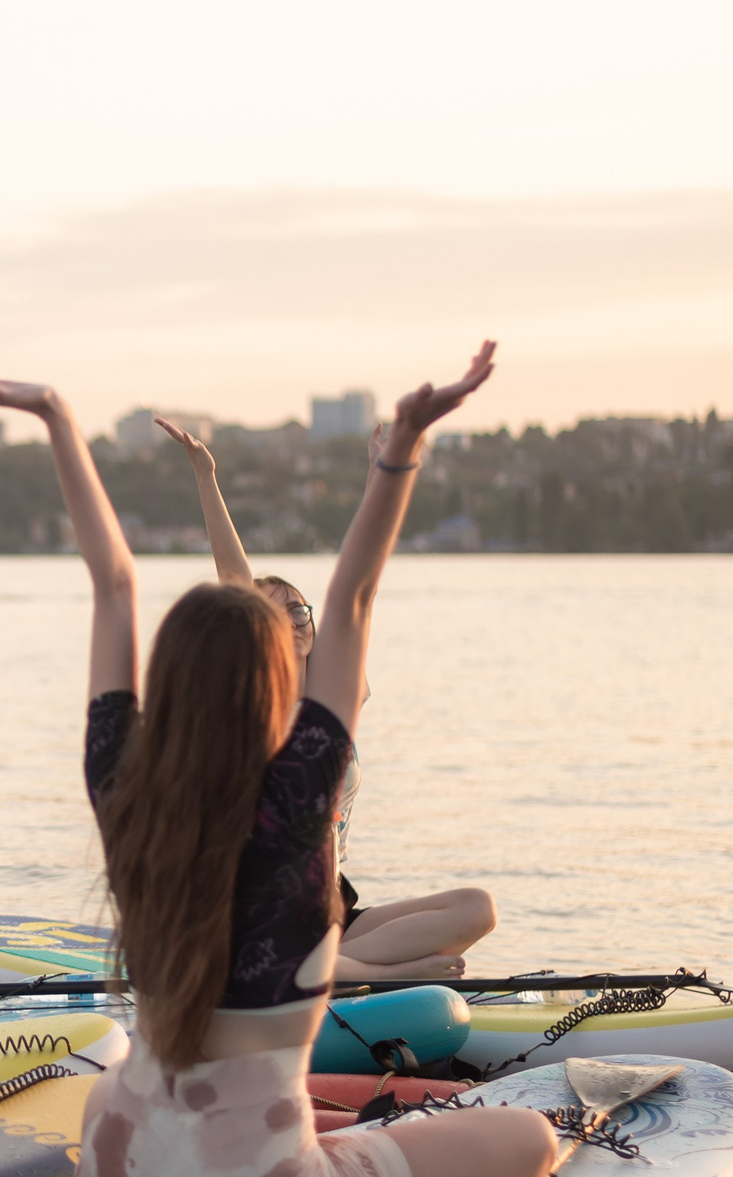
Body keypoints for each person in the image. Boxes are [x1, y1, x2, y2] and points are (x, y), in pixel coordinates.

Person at [0, 344, 553, 1177]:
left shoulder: (124, 790)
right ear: (278, 682)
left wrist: (55, 416)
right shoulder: (299, 798)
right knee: (530, 1140)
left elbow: (113, 582)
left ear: (170, 680)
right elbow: (352, 600)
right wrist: (400, 447)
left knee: (133, 1091)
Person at [156, 416, 496, 981]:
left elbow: (361, 586)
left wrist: (381, 473)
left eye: (298, 608)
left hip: (328, 910)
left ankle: (342, 968)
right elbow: (234, 577)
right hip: (261, 915)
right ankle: (379, 975)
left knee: (476, 909)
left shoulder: (337, 700)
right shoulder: (255, 709)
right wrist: (206, 477)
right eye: (274, 612)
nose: (293, 618)